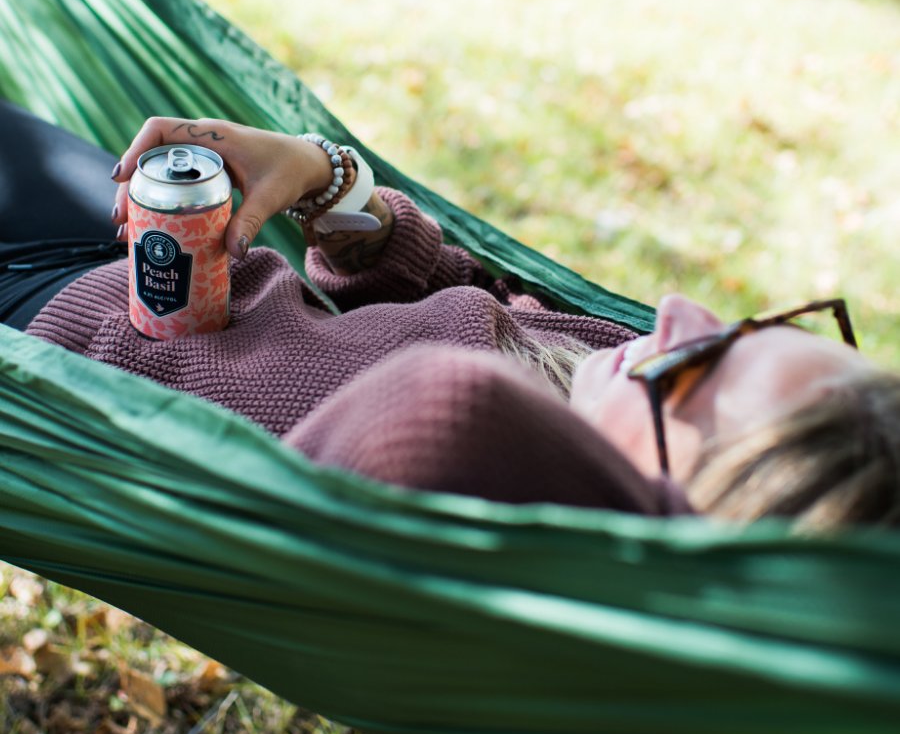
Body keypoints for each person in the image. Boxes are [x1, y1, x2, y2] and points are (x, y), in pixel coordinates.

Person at [2, 100, 897, 530]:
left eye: (693, 367)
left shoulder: (516, 496)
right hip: (144, 249)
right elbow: (448, 291)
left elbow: (447, 407)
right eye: (743, 327)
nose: (670, 313)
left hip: (51, 354)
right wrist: (328, 180)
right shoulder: (609, 373)